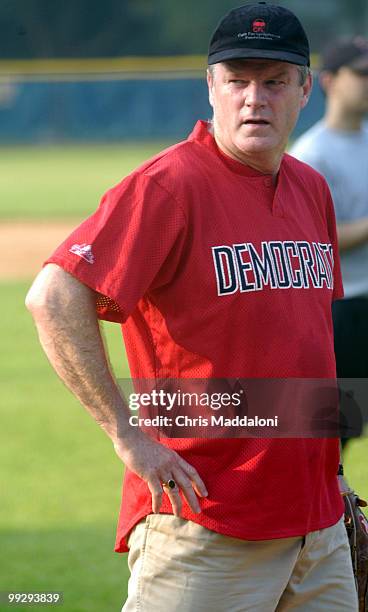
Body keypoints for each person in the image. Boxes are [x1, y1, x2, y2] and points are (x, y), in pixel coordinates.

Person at [26, 3, 358, 611]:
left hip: (316, 524)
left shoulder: (312, 187)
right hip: (206, 518)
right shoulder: (169, 184)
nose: (254, 98)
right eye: (238, 80)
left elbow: (307, 342)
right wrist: (127, 435)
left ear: (306, 89)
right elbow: (53, 295)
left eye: (275, 81)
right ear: (212, 87)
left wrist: (327, 473)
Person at [290, 37, 368, 448]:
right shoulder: (311, 154)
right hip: (346, 310)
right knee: (336, 435)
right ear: (329, 81)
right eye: (362, 73)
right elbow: (317, 244)